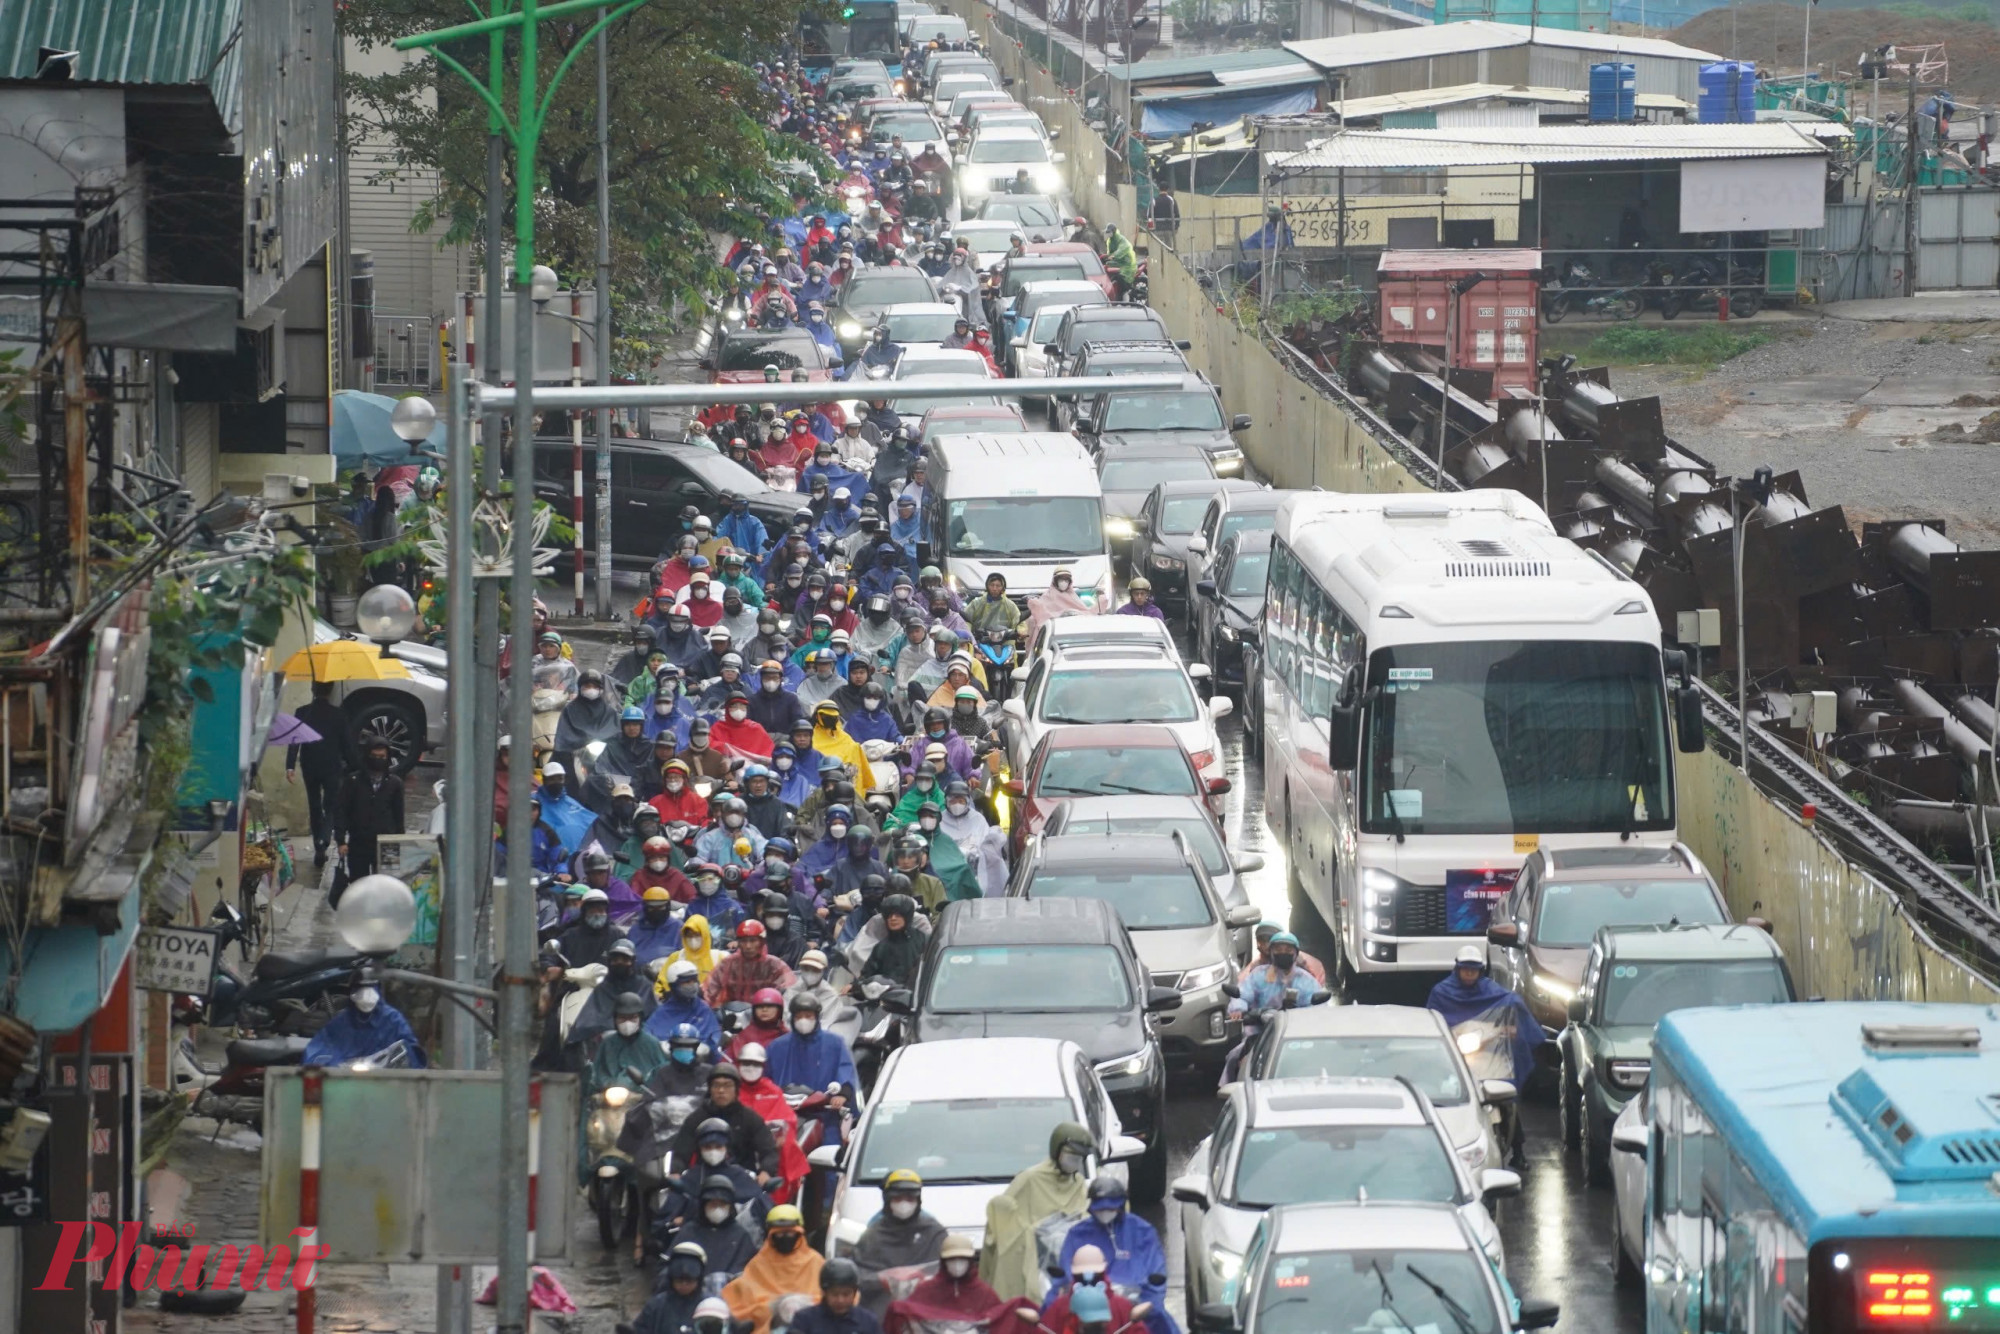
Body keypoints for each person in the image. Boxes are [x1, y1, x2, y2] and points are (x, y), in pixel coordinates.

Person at [1427, 944, 1545, 1163]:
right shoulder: (1442, 993)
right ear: (1457, 968)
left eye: (1474, 970)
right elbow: (1433, 1020)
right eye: (1465, 969)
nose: (1470, 974)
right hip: (1458, 1058)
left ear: (1481, 971)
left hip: (1490, 1054)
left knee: (1507, 1098)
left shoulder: (1492, 992)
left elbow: (1512, 1003)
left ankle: (1518, 1151)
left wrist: (1512, 1028)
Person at [981, 1122, 1092, 1303]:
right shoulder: (1030, 1178)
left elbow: (1082, 1217)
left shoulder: (1078, 1183)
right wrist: (1035, 1233)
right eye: (1072, 1155)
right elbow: (1004, 1220)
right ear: (1057, 1150)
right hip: (1030, 1263)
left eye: (1080, 1158)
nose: (1075, 1161)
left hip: (1065, 1263)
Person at [1057, 1178, 1176, 1334]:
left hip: (1137, 1305)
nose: (1105, 1213)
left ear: (1121, 1206)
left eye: (1110, 1208)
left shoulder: (1143, 1231)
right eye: (1100, 1209)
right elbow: (1066, 1276)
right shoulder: (1078, 1233)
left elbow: (1156, 1275)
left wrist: (1149, 1305)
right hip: (1088, 1307)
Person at [1222, 930, 1324, 1083]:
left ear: (1296, 953)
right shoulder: (1258, 975)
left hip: (1297, 1034)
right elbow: (1243, 995)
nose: (1283, 953)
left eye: (1288, 950)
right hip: (1260, 1032)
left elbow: (1319, 1005)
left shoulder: (1306, 980)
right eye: (1278, 949)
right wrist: (1238, 1009)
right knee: (1234, 1056)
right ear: (1271, 952)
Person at [850, 1168, 947, 1318]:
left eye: (910, 1199)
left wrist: (921, 1279)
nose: (904, 1204)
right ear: (887, 1200)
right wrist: (882, 1278)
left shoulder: (934, 1232)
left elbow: (949, 1274)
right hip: (881, 1314)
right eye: (898, 1198)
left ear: (918, 1200)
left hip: (925, 1313)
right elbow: (856, 1276)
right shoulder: (873, 1235)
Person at [671, 1063, 782, 1183]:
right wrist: (676, 1172)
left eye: (727, 1085)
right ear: (709, 1089)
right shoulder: (696, 1118)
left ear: (736, 1089)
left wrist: (766, 1172)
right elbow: (680, 1152)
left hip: (743, 1183)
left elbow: (768, 1151)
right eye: (716, 1085)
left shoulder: (750, 1118)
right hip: (703, 1181)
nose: (721, 1090)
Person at [723, 1204, 825, 1334]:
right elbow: (741, 1301)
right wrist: (772, 1308)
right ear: (770, 1235)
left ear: (799, 1233)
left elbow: (829, 1297)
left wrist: (799, 1305)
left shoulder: (815, 1261)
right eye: (779, 1234)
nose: (785, 1237)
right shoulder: (758, 1264)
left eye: (789, 1232)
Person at [302, 967, 428, 1067]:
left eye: (371, 988)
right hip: (348, 1084)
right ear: (352, 991)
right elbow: (318, 1049)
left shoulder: (392, 1019)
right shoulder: (341, 1023)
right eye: (360, 988)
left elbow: (412, 1051)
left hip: (385, 1082)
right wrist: (334, 1064)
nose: (366, 994)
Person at [285, 681, 350, 868]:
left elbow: (294, 741)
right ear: (330, 691)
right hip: (332, 767)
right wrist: (355, 767)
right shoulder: (339, 715)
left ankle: (318, 846)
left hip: (310, 766)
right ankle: (324, 840)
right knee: (330, 805)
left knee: (314, 805)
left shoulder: (303, 712)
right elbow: (346, 745)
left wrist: (290, 766)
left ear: (312, 689)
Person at [883, 1233, 1001, 1334]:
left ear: (970, 1261)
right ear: (943, 1262)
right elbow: (909, 1313)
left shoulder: (984, 1292)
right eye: (952, 1259)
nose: (957, 1264)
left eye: (962, 1259)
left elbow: (999, 1320)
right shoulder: (926, 1290)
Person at [334, 734, 404, 885]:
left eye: (382, 756)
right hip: (359, 842)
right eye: (374, 756)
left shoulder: (395, 783)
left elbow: (399, 816)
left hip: (387, 844)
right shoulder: (353, 782)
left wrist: (400, 842)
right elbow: (341, 810)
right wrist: (341, 841)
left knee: (386, 887)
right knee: (359, 886)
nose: (378, 760)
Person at [668, 1175, 765, 1282]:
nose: (717, 1209)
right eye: (713, 1204)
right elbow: (669, 1267)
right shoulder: (689, 1232)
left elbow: (751, 1271)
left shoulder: (740, 1235)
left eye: (722, 1204)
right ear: (703, 1205)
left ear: (730, 1207)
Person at [588, 990, 670, 1095]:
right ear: (615, 1019)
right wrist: (608, 1085)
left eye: (633, 1018)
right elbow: (596, 1075)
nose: (627, 1023)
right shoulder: (607, 1044)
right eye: (622, 1018)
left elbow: (660, 1073)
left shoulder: (651, 1044)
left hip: (643, 1099)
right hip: (610, 1099)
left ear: (640, 1018)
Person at [705, 921, 799, 1006]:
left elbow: (790, 990)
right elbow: (710, 988)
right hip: (732, 1016)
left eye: (753, 941)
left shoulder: (774, 964)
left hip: (764, 1014)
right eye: (744, 941)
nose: (748, 946)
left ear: (762, 942)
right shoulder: (728, 963)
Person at [632, 1241, 713, 1334]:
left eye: (689, 1281)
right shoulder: (655, 1307)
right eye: (678, 1280)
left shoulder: (711, 1308)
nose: (684, 1285)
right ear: (671, 1278)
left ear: (699, 1278)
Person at [787, 1257, 881, 1334]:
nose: (840, 1300)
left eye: (846, 1294)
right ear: (824, 1292)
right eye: (834, 1294)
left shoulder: (868, 1322)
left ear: (855, 1292)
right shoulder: (804, 1320)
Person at [556, 887, 625, 969]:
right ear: (584, 912)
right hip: (575, 979)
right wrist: (549, 965)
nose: (597, 914)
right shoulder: (570, 935)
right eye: (592, 911)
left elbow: (628, 959)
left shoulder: (617, 935)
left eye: (600, 910)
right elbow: (552, 954)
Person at [1242, 920, 1325, 985]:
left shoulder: (1300, 963)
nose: (1265, 945)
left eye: (1268, 940)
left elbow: (1313, 988)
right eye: (1261, 941)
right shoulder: (1256, 968)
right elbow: (1247, 992)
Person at [661, 914, 722, 983]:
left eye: (697, 935)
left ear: (705, 935)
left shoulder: (719, 958)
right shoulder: (676, 958)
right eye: (689, 935)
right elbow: (662, 983)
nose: (693, 939)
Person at [962, 572, 1021, 637]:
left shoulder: (1010, 605)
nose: (994, 589)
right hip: (981, 639)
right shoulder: (976, 603)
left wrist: (1020, 631)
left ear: (1003, 587)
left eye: (998, 586)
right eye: (992, 585)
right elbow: (965, 620)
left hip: (1005, 640)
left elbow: (1018, 620)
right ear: (987, 586)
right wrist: (968, 632)